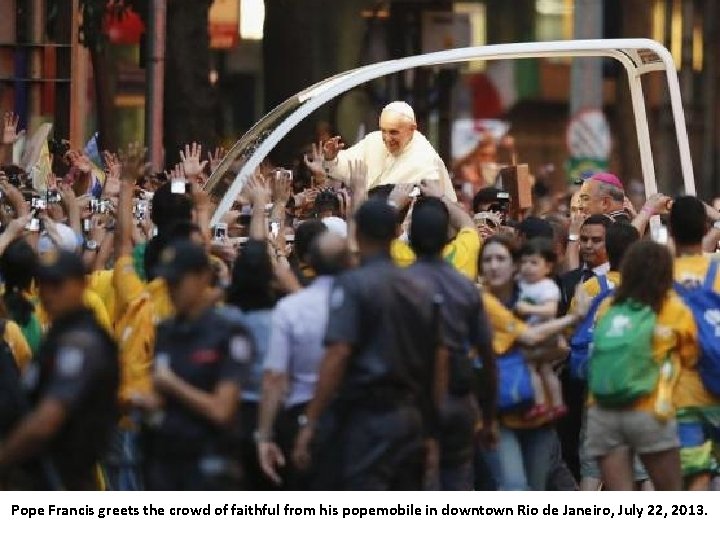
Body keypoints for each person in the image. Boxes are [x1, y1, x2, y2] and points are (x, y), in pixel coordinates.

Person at [292, 198, 444, 490]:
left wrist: (310, 421)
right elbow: (437, 361)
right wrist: (431, 429)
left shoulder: (353, 285)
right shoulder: (419, 289)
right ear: (396, 233)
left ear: (357, 234)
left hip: (366, 420)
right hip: (410, 419)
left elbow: (338, 352)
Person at [478, 235, 591, 490]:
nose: (494, 266)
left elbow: (560, 349)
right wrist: (572, 319)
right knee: (514, 487)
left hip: (538, 414)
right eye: (487, 260)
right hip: (499, 414)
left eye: (500, 259)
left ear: (514, 265)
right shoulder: (481, 301)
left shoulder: (533, 295)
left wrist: (533, 352)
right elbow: (528, 337)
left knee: (536, 487)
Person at [0, 250, 119, 489]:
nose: (48, 293)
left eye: (57, 284)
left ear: (81, 284)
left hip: (65, 477)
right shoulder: (57, 335)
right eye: (43, 284)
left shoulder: (83, 341)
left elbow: (47, 421)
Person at [585, 240, 696, 490]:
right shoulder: (673, 308)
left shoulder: (608, 306)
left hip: (601, 411)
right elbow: (692, 358)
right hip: (649, 409)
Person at [140, 240, 252, 490]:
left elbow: (222, 410)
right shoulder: (166, 330)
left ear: (202, 278)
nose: (171, 290)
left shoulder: (227, 333)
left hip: (207, 462)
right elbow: (159, 397)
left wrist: (172, 385)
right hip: (166, 459)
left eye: (177, 282)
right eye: (167, 282)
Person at [404, 196, 496, 490]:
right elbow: (487, 354)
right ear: (447, 236)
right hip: (457, 403)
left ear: (411, 237)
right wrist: (489, 417)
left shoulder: (398, 286)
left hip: (410, 404)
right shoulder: (466, 288)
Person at [256, 231, 348, 488]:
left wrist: (264, 435)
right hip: (352, 416)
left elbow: (274, 377)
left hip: (301, 415)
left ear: (309, 261)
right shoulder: (361, 303)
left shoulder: (292, 308)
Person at [668, 196, 720, 490]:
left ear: (671, 229)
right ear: (704, 229)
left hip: (681, 396)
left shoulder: (659, 277)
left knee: (692, 481)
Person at [322, 101, 456, 200]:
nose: (386, 138)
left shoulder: (425, 158)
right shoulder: (373, 141)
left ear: (412, 129)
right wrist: (332, 159)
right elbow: (345, 166)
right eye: (383, 131)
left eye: (394, 132)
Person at [516, 238, 564, 419]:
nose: (528, 267)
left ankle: (545, 402)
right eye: (524, 262)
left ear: (548, 267)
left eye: (534, 263)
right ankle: (548, 403)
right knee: (541, 369)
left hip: (544, 333)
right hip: (529, 333)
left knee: (536, 367)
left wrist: (528, 309)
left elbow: (550, 309)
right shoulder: (520, 282)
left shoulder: (547, 287)